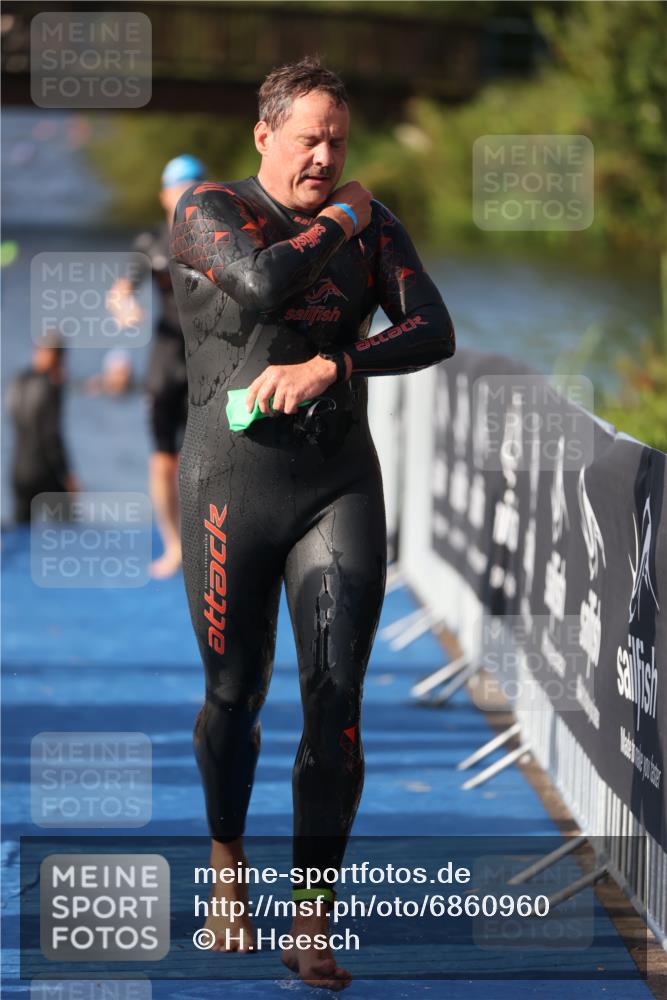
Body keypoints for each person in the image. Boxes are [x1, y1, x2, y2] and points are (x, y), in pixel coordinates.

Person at [169, 57, 455, 990]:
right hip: (228, 488)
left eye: (338, 142)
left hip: (336, 485)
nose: (325, 158)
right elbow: (260, 286)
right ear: (264, 136)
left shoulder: (374, 227)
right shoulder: (209, 210)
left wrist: (337, 365)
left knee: (336, 700)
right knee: (235, 696)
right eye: (308, 140)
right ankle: (227, 873)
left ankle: (311, 920)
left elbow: (434, 329)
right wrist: (340, 221)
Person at [106, 155, 206, 578]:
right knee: (163, 459)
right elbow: (120, 290)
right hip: (167, 359)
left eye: (193, 190)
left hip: (209, 360)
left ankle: (208, 542)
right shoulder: (150, 242)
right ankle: (173, 544)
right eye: (178, 190)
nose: (185, 198)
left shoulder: (220, 240)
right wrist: (124, 307)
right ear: (164, 196)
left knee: (204, 461)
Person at [7, 332, 78, 523]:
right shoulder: (51, 385)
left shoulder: (17, 381)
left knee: (21, 530)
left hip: (18, 470)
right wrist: (67, 475)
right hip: (44, 471)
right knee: (68, 529)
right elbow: (51, 435)